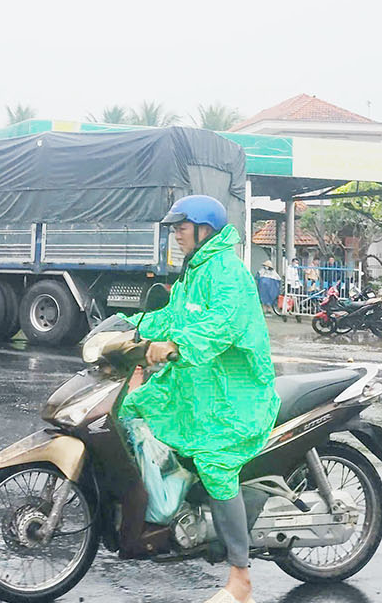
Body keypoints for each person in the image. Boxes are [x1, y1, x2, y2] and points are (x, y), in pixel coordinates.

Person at [121, 195, 278, 603]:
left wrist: (175, 344)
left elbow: (220, 324)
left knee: (215, 462)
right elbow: (174, 315)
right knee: (130, 408)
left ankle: (240, 577)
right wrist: (129, 326)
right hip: (197, 381)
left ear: (204, 229)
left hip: (233, 392)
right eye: (174, 229)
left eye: (181, 228)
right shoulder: (194, 271)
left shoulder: (227, 272)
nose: (176, 235)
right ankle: (170, 496)